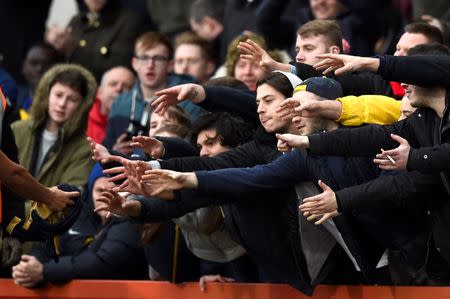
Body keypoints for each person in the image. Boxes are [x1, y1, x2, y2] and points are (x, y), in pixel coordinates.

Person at [275, 45, 450, 281]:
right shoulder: (422, 120)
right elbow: (368, 138)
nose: (403, 85)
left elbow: (403, 183)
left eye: (411, 76)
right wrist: (308, 142)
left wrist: (415, 158)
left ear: (431, 74)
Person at [11, 163, 148, 288]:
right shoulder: (79, 215)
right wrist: (28, 267)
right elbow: (48, 245)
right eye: (100, 191)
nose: (106, 198)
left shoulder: (131, 222)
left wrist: (44, 271)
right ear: (90, 192)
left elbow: (99, 263)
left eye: (114, 191)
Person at [103, 31, 204, 155]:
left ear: (170, 65)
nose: (150, 65)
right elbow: (106, 149)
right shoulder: (120, 103)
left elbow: (194, 147)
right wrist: (115, 151)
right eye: (144, 58)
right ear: (135, 63)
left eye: (158, 58)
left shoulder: (186, 99)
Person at [11, 64, 96, 188]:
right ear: (46, 95)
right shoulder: (17, 130)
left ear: (82, 106)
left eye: (72, 99)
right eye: (58, 95)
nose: (62, 104)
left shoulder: (84, 150)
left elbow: (67, 198)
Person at [45, 0, 147, 82]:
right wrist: (53, 45)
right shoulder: (77, 21)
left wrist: (73, 50)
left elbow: (119, 67)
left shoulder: (129, 21)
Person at [86, 66, 135, 144]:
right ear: (99, 92)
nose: (119, 89)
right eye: (113, 84)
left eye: (127, 86)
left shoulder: (137, 123)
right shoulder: (82, 119)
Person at [16, 42, 61, 119]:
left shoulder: (63, 101)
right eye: (34, 63)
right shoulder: (10, 98)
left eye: (46, 64)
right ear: (23, 66)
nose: (39, 68)